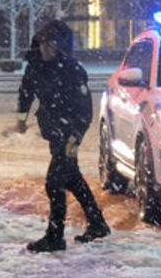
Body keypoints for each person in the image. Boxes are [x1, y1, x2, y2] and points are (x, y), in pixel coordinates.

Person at [14, 20, 110, 252]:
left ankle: (55, 237)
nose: (46, 50)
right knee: (72, 178)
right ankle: (97, 223)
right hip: (54, 131)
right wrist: (21, 118)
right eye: (44, 45)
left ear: (61, 48)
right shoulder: (36, 65)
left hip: (67, 134)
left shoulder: (72, 71)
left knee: (54, 184)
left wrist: (74, 138)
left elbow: (84, 110)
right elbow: (26, 91)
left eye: (51, 46)